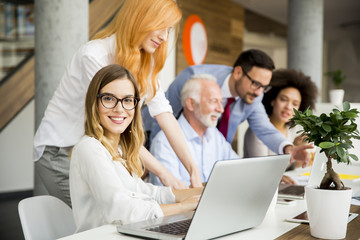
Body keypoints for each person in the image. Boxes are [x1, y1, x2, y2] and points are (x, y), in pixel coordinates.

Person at [33, 0, 203, 206]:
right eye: (160, 26)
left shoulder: (145, 63)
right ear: (140, 18)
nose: (164, 37)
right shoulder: (94, 55)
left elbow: (165, 115)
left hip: (97, 150)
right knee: (106, 217)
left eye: (168, 30)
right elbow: (114, 123)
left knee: (121, 213)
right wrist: (163, 173)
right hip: (60, 150)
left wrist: (193, 170)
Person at [69, 64, 203, 232]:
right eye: (109, 98)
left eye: (127, 100)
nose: (119, 109)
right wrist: (183, 206)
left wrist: (198, 193)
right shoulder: (89, 149)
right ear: (94, 103)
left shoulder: (120, 149)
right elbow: (122, 210)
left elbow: (143, 191)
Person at [143, 49, 312, 166]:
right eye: (256, 84)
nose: (259, 92)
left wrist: (288, 148)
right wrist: (156, 156)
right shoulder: (194, 78)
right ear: (238, 72)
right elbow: (163, 116)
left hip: (208, 150)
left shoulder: (255, 95)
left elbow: (265, 129)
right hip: (150, 134)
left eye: (264, 87)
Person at [149, 74, 239, 186]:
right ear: (191, 104)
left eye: (221, 102)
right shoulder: (164, 142)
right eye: (213, 101)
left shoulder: (216, 136)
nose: (220, 109)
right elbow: (172, 195)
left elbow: (239, 170)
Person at [244, 69, 318, 183]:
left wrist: (301, 158)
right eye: (283, 99)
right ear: (272, 100)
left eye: (295, 104)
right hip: (255, 185)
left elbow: (293, 169)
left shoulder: (294, 131)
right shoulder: (257, 132)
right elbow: (262, 171)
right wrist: (292, 148)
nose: (288, 107)